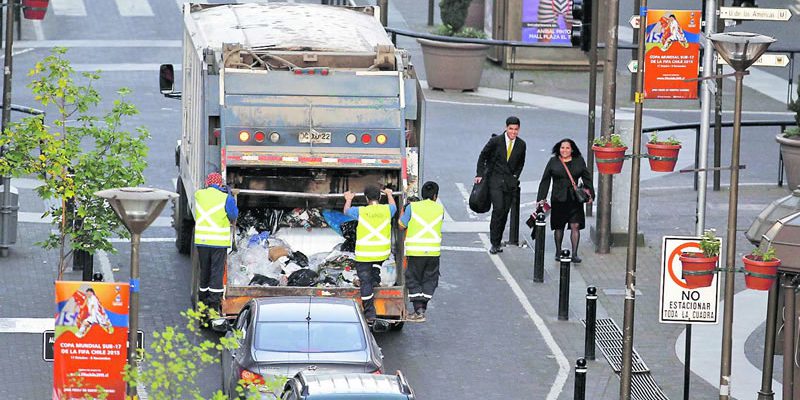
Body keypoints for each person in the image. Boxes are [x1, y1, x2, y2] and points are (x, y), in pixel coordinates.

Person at [344, 185, 397, 322]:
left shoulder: (361, 211)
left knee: (365, 282)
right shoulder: (387, 210)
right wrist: (390, 194)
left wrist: (348, 198)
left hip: (365, 254)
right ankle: (375, 279)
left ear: (366, 198)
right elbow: (394, 207)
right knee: (375, 268)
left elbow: (346, 211)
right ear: (380, 197)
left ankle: (370, 314)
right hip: (381, 253)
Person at [475, 116, 527, 254]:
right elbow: (483, 156)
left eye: (516, 129)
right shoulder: (495, 141)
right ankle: (494, 242)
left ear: (519, 129)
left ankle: (497, 242)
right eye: (511, 129)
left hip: (510, 183)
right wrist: (479, 174)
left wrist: (515, 177)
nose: (513, 132)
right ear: (506, 128)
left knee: (504, 212)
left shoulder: (521, 145)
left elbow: (521, 163)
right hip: (495, 180)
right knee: (498, 209)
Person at [536, 139, 594, 263]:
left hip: (574, 199)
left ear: (572, 149)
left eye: (567, 148)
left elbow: (587, 177)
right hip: (558, 198)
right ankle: (558, 251)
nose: (565, 150)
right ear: (559, 149)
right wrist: (541, 198)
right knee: (559, 226)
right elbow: (545, 180)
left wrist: (590, 194)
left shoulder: (579, 161)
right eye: (562, 148)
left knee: (575, 225)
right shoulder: (553, 161)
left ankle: (574, 253)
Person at [194, 172, 238, 317]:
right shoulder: (226, 198)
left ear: (207, 182)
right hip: (218, 243)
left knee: (204, 272)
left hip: (202, 242)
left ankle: (202, 304)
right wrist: (229, 193)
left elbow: (206, 195)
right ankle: (213, 306)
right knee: (216, 274)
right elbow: (233, 215)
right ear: (220, 184)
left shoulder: (199, 195)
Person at [399, 181, 444, 323]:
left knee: (414, 279)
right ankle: (422, 309)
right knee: (429, 279)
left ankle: (419, 310)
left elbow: (401, 225)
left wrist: (403, 211)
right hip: (433, 253)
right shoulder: (439, 209)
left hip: (415, 252)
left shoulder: (412, 208)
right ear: (435, 196)